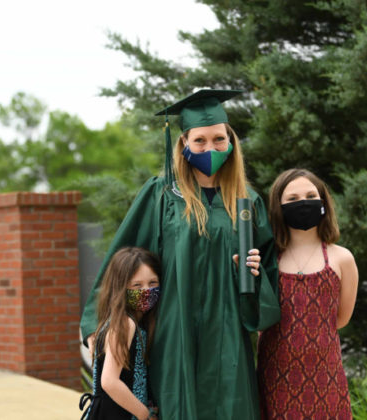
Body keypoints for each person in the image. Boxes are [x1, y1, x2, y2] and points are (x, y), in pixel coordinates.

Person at [81, 89, 281, 419]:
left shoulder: (248, 203)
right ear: (184, 143)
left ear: (230, 142)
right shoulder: (161, 195)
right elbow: (124, 255)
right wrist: (96, 321)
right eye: (199, 141)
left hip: (228, 332)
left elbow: (269, 278)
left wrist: (253, 276)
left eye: (219, 139)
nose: (210, 148)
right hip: (175, 332)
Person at [257, 168, 359, 420]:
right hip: (275, 378)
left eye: (310, 195)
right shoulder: (266, 260)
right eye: (292, 199)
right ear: (278, 207)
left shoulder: (342, 258)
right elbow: (258, 318)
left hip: (326, 379)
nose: (302, 203)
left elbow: (341, 319)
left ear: (323, 202)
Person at [80, 247, 160, 420]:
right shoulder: (125, 323)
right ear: (121, 288)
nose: (146, 291)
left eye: (152, 283)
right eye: (137, 285)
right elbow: (109, 381)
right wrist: (144, 414)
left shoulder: (122, 321)